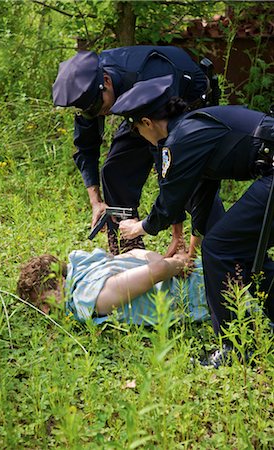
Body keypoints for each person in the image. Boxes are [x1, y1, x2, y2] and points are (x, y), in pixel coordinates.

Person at [110, 74, 274, 365]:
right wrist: (193, 237)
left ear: (147, 123)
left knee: (221, 248)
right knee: (244, 249)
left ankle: (234, 350)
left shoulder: (181, 141)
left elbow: (170, 200)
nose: (140, 135)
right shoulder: (193, 125)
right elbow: (204, 190)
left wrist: (140, 226)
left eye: (137, 129)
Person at [52, 46, 224, 255]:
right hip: (138, 111)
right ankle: (128, 248)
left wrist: (176, 234)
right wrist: (96, 201)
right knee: (114, 170)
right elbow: (85, 146)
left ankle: (220, 248)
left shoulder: (148, 75)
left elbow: (166, 160)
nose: (97, 112)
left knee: (191, 181)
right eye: (90, 111)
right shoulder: (92, 92)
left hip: (182, 106)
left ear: (106, 81)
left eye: (98, 105)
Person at [17, 248, 210, 326]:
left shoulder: (93, 295)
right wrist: (167, 262)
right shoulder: (84, 266)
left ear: (58, 283)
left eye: (43, 301)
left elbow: (158, 269)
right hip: (203, 270)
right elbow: (136, 253)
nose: (44, 310)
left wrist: (178, 263)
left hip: (202, 292)